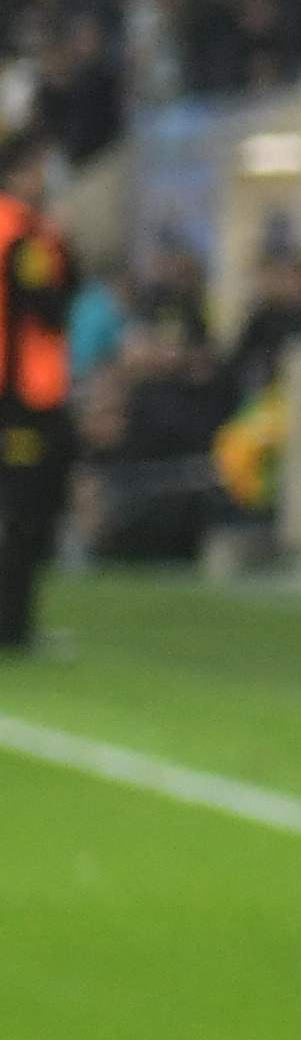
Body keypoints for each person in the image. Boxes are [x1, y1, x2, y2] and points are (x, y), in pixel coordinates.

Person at [0, 127, 71, 658]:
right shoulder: (25, 234)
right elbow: (45, 308)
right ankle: (13, 626)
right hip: (21, 396)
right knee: (24, 511)